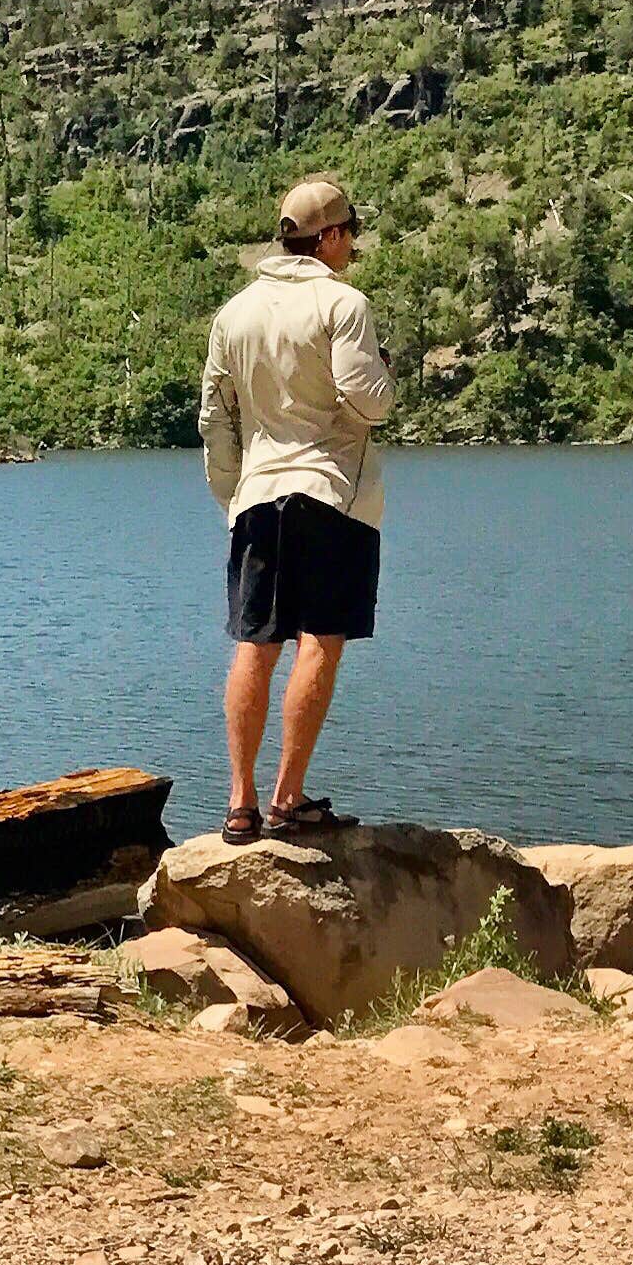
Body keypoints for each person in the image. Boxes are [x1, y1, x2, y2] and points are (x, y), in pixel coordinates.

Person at [198, 172, 394, 842]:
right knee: (320, 640)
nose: (352, 249)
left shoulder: (234, 314)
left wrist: (233, 494)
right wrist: (385, 376)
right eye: (350, 236)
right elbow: (367, 400)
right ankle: (288, 798)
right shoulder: (345, 306)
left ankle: (239, 803)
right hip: (330, 493)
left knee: (256, 644)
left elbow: (214, 419)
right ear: (331, 236)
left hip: (258, 496)